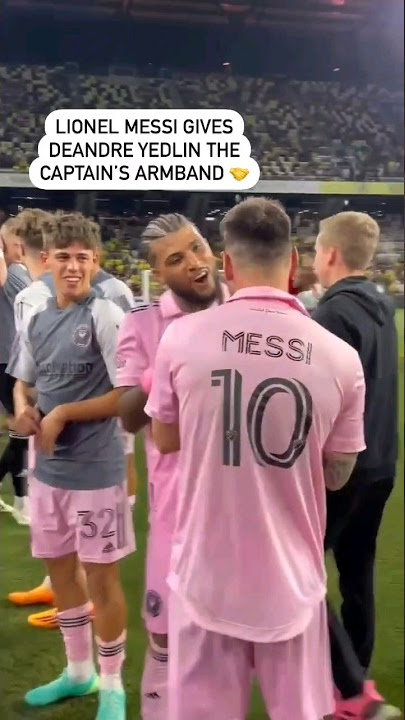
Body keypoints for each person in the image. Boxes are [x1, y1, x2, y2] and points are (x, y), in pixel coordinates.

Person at [144, 197, 367, 720]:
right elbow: (338, 474)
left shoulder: (180, 338)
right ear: (293, 261)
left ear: (226, 264)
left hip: (204, 576)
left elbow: (166, 438)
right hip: (292, 583)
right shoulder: (340, 356)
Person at [9, 212, 134, 720]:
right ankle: (77, 672)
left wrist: (62, 413)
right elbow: (25, 381)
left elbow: (127, 396)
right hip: (49, 476)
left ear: (96, 262)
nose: (73, 266)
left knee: (102, 583)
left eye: (83, 257)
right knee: (62, 576)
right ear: (46, 261)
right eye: (63, 256)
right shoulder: (37, 320)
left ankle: (112, 684)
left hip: (96, 477)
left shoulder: (106, 316)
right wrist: (24, 407)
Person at [116, 212, 227, 720]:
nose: (195, 264)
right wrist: (164, 364)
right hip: (176, 512)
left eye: (198, 248)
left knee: (230, 643)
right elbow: (128, 416)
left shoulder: (244, 312)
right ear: (159, 274)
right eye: (176, 259)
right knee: (163, 635)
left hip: (239, 511)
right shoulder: (142, 324)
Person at [312, 211, 400, 720]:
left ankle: (349, 689)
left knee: (298, 575)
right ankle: (354, 673)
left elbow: (321, 403)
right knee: (356, 574)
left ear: (329, 254)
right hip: (382, 463)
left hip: (345, 469)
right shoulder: (382, 305)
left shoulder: (331, 316)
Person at [0, 216, 31, 521]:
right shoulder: (12, 275)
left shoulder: (16, 274)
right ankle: (22, 502)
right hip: (8, 363)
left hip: (12, 361)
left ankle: (23, 499)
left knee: (21, 433)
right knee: (22, 433)